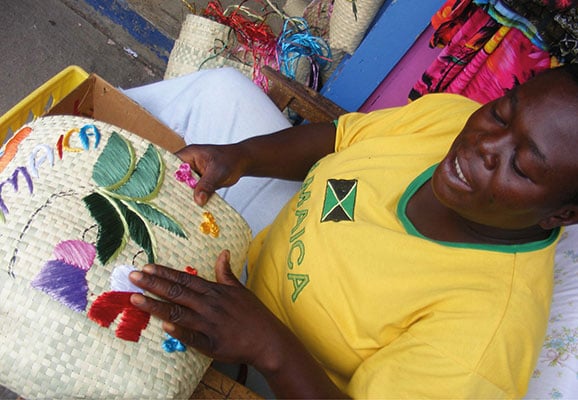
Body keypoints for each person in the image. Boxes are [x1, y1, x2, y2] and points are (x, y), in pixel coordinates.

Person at [124, 64, 578, 398]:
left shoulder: (484, 340)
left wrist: (269, 347)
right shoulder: (450, 120)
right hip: (266, 242)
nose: (485, 145)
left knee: (119, 334)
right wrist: (241, 158)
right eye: (500, 114)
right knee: (220, 89)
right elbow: (341, 138)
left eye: (520, 165)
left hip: (278, 369)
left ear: (561, 215)